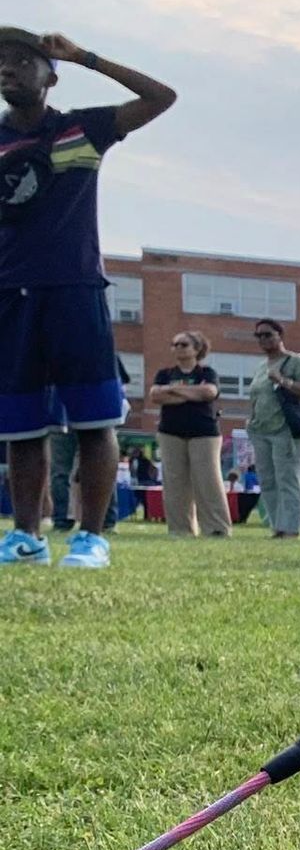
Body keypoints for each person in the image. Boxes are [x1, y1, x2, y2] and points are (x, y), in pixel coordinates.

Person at [0, 29, 175, 567]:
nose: (6, 67)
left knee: (94, 422)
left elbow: (161, 97)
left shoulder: (83, 129)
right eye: (0, 60)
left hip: (76, 291)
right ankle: (26, 536)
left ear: (51, 76)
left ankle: (90, 538)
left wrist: (85, 57)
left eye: (22, 59)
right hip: (11, 295)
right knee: (22, 427)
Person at [247, 318, 300, 539]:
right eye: (259, 335)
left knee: (288, 478)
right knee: (268, 480)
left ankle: (291, 529)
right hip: (260, 430)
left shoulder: (296, 362)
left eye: (268, 334)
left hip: (287, 429)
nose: (263, 339)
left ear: (280, 336)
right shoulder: (262, 367)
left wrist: (284, 381)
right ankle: (277, 526)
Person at [149, 329, 228, 538]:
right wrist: (192, 394)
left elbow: (209, 392)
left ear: (197, 349)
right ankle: (180, 530)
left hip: (204, 432)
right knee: (175, 482)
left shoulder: (207, 373)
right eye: (174, 344)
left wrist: (173, 391)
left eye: (183, 344)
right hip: (170, 432)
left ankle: (216, 528)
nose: (177, 348)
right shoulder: (165, 374)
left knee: (207, 481)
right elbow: (155, 395)